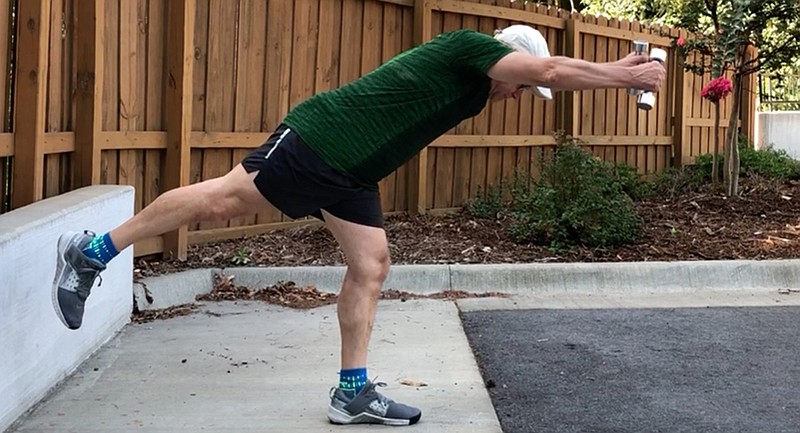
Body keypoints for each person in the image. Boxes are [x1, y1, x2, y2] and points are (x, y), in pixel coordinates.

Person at [50, 25, 665, 426]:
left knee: (371, 265)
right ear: (511, 59)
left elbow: (543, 77)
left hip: (353, 175)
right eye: (519, 85)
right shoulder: (473, 49)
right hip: (321, 138)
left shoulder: (478, 88)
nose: (517, 95)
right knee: (218, 202)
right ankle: (94, 252)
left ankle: (351, 391)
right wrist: (626, 75)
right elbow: (552, 72)